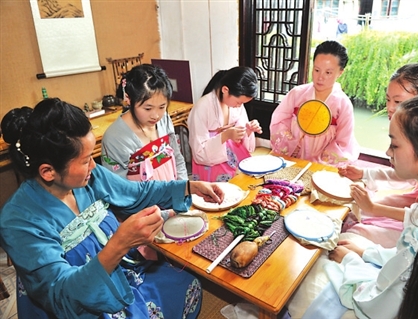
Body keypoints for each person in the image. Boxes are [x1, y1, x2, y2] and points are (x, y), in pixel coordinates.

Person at [0, 98, 224, 319]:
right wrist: (121, 242)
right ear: (48, 171)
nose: (94, 166)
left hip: (122, 273)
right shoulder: (18, 220)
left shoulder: (88, 177)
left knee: (188, 284)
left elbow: (135, 193)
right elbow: (62, 294)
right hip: (80, 302)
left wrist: (188, 187)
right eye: (87, 159)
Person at [291, 92, 418, 318]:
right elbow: (405, 257)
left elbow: (380, 304)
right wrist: (367, 252)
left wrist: (352, 261)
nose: (388, 152)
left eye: (394, 145)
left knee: (303, 280)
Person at [339, 64, 418, 247]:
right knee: (360, 208)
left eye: (398, 102)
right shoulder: (416, 130)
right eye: (388, 100)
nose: (390, 108)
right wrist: (364, 174)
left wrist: (374, 208)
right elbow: (404, 168)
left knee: (357, 229)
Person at [270, 40, 359, 165]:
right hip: (292, 156)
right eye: (317, 70)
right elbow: (279, 120)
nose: (320, 77)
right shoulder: (297, 93)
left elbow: (343, 141)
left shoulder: (343, 104)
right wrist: (290, 143)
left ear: (340, 72)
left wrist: (321, 161)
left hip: (321, 164)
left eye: (328, 72)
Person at [101, 64, 189, 182]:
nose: (156, 115)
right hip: (144, 199)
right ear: (128, 98)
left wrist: (183, 188)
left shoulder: (164, 119)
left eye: (162, 107)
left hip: (173, 193)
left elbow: (177, 157)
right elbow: (119, 186)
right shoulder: (114, 137)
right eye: (148, 108)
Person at [187, 66, 262, 182]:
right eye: (239, 102)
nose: (239, 105)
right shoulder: (202, 107)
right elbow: (199, 152)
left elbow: (241, 134)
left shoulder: (236, 104)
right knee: (215, 193)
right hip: (210, 158)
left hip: (230, 155)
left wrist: (248, 129)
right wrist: (225, 136)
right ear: (225, 90)